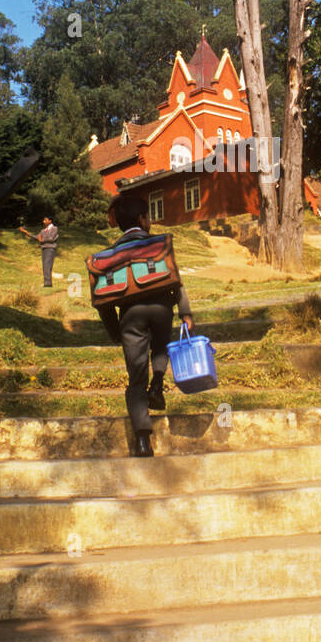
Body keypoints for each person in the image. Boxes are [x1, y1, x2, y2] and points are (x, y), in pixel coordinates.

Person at [98, 194, 194, 458]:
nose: (150, 221)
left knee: (135, 380)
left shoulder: (111, 253)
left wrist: (114, 331)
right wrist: (185, 313)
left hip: (130, 316)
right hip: (163, 309)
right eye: (148, 216)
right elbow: (176, 280)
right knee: (162, 345)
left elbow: (104, 302)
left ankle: (142, 440)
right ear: (142, 219)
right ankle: (159, 382)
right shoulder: (159, 244)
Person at [20, 216, 59, 287]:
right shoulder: (43, 231)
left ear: (50, 221)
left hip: (50, 248)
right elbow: (37, 237)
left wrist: (42, 240)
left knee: (48, 265)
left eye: (45, 220)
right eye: (43, 220)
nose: (43, 221)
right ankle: (47, 283)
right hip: (44, 248)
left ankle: (47, 283)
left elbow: (51, 238)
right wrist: (26, 232)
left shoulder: (54, 229)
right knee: (45, 266)